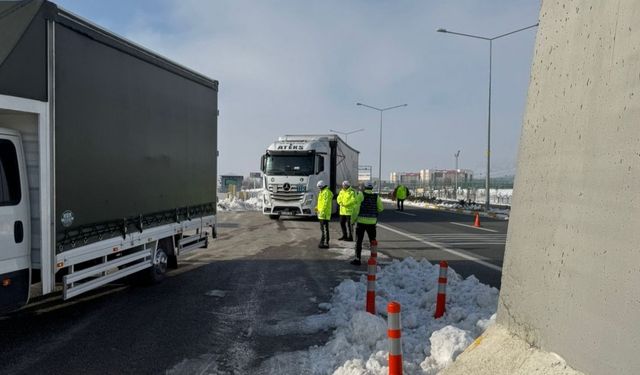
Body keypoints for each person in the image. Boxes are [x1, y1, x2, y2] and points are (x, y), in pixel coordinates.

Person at [351, 181, 383, 265]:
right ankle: (373, 258)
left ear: (364, 187)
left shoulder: (361, 195)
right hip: (372, 223)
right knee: (372, 241)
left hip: (361, 222)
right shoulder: (376, 196)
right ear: (372, 188)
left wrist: (353, 220)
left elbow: (356, 209)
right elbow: (381, 208)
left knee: (359, 241)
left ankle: (357, 259)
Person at [315, 180, 333, 248]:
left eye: (319, 187)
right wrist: (317, 208)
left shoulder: (326, 192)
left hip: (324, 214)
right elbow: (320, 202)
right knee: (323, 229)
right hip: (321, 213)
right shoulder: (322, 192)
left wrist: (322, 211)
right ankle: (322, 242)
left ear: (321, 186)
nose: (319, 188)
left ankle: (326, 243)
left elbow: (325, 204)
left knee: (325, 229)